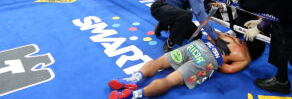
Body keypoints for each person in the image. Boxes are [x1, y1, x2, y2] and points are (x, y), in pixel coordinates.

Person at [107, 32, 256, 99]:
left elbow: (211, 35)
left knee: (158, 62)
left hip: (196, 46)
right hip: (207, 59)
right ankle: (135, 95)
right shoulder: (245, 56)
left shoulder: (228, 35)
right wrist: (217, 62)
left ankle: (134, 78)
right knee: (169, 81)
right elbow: (228, 69)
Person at [150, 0, 231, 55]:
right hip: (160, 8)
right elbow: (199, 14)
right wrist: (216, 38)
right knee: (186, 15)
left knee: (196, 34)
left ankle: (163, 24)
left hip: (172, 11)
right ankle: (169, 43)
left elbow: (190, 5)